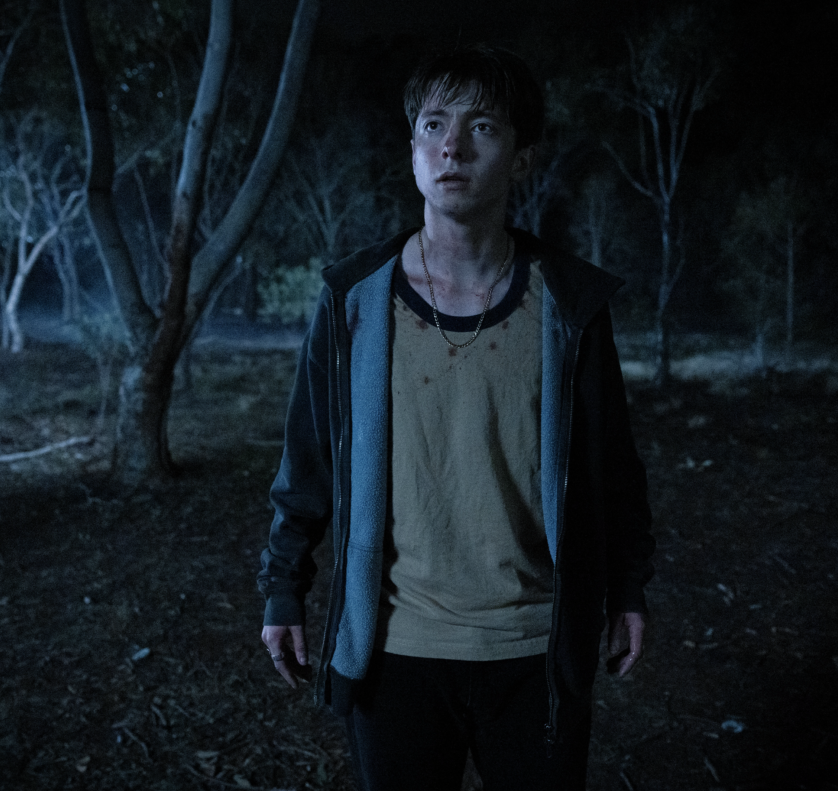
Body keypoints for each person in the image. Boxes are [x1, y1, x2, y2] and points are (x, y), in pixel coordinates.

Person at [257, 44, 654, 791]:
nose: (453, 146)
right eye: (434, 125)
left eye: (483, 127)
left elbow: (612, 464)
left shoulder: (568, 306)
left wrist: (628, 588)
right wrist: (284, 587)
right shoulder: (354, 301)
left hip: (533, 647)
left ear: (522, 158)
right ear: (412, 151)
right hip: (395, 648)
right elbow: (308, 461)